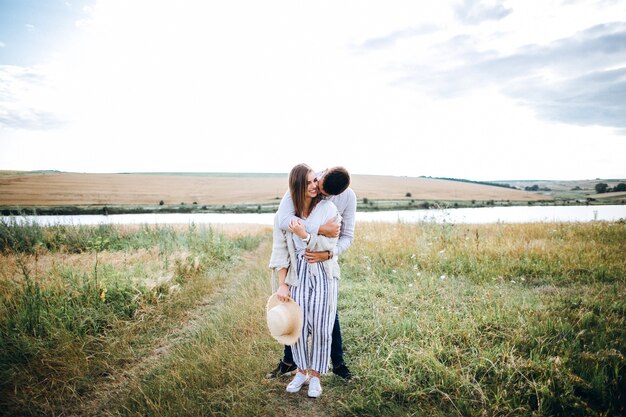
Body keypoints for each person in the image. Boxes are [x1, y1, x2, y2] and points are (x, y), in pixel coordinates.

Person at [267, 166, 356, 381]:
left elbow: (347, 236)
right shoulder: (301, 186)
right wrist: (319, 229)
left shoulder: (347, 198)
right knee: (293, 311)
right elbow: (282, 222)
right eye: (318, 184)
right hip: (298, 266)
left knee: (328, 314)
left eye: (327, 194)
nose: (319, 193)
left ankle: (338, 364)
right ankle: (289, 362)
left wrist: (330, 253)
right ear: (321, 173)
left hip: (325, 265)